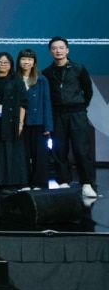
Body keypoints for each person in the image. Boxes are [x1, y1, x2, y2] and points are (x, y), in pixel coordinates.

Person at [42, 37, 96, 197]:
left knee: (81, 149)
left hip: (77, 113)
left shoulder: (79, 68)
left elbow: (88, 90)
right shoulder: (47, 72)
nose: (58, 51)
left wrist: (80, 107)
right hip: (57, 114)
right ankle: (63, 182)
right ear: (50, 52)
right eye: (54, 48)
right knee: (59, 150)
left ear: (67, 50)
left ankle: (86, 183)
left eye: (61, 47)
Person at [0, 52, 28, 189]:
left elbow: (23, 103)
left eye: (6, 62)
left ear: (11, 65)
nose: (2, 64)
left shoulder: (16, 81)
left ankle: (12, 182)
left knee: (11, 151)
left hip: (12, 121)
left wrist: (21, 123)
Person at [17, 49, 54, 190]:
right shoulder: (14, 79)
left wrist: (48, 126)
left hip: (38, 122)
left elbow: (47, 102)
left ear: (34, 62)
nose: (26, 62)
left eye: (29, 59)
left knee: (40, 155)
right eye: (23, 59)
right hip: (19, 123)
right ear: (19, 61)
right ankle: (23, 182)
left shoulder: (41, 79)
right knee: (22, 154)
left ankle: (39, 183)